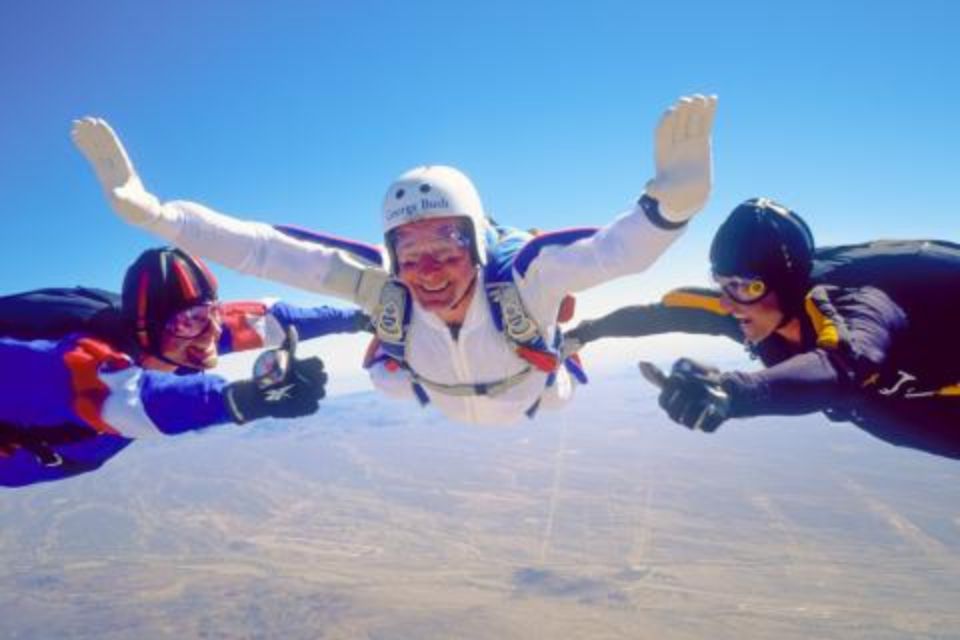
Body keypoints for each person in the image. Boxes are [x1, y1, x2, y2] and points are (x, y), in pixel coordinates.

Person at [71, 94, 717, 426]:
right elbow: (267, 250)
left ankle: (558, 350)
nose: (429, 271)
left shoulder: (526, 279)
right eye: (410, 252)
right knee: (387, 365)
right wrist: (161, 218)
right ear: (390, 253)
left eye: (448, 246)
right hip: (430, 389)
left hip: (533, 393)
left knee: (556, 397)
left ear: (480, 241)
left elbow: (613, 252)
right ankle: (392, 354)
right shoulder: (382, 287)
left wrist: (670, 208)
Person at [566, 198, 960, 459]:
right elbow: (664, 312)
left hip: (935, 388)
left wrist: (733, 392)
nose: (728, 302)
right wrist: (581, 334)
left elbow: (841, 366)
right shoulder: (752, 309)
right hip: (910, 403)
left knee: (860, 401)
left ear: (786, 284)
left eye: (745, 286)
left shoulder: (855, 304)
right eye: (723, 284)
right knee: (867, 408)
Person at [0, 246, 370, 487]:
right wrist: (248, 398)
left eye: (210, 314)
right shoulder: (62, 365)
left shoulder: (173, 337)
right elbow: (131, 400)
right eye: (190, 321)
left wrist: (362, 318)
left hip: (46, 455)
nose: (209, 333)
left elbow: (269, 319)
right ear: (146, 329)